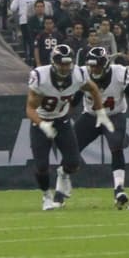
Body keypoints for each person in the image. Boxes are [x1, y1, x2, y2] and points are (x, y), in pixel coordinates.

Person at [25, 44, 111, 211]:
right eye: (61, 64)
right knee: (41, 165)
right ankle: (46, 196)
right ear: (53, 63)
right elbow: (29, 109)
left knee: (73, 163)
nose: (65, 67)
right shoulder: (41, 77)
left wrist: (100, 111)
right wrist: (42, 124)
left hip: (61, 120)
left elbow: (93, 89)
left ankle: (63, 174)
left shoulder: (78, 74)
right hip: (40, 121)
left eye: (68, 63)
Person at [66, 46, 129, 209]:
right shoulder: (83, 73)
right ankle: (61, 189)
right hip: (91, 116)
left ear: (106, 65)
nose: (93, 69)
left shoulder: (119, 73)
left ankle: (119, 189)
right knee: (71, 149)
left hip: (114, 115)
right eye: (91, 66)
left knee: (116, 146)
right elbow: (74, 101)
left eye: (97, 66)